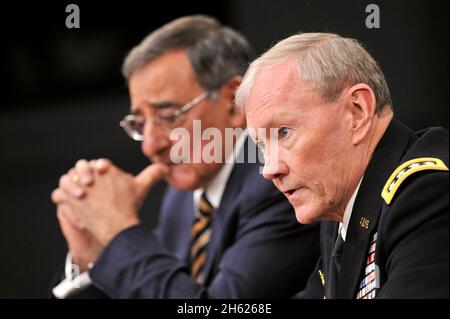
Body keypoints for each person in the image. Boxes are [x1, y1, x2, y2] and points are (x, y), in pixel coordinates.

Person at [50, 15, 320, 298]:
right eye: (140, 124)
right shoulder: (182, 197)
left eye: (168, 116)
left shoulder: (277, 182)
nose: (150, 146)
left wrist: (119, 232)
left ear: (233, 102)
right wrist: (93, 250)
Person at [236, 32, 449, 299]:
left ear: (357, 112)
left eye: (284, 133)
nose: (269, 169)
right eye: (262, 146)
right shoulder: (340, 204)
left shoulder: (428, 193)